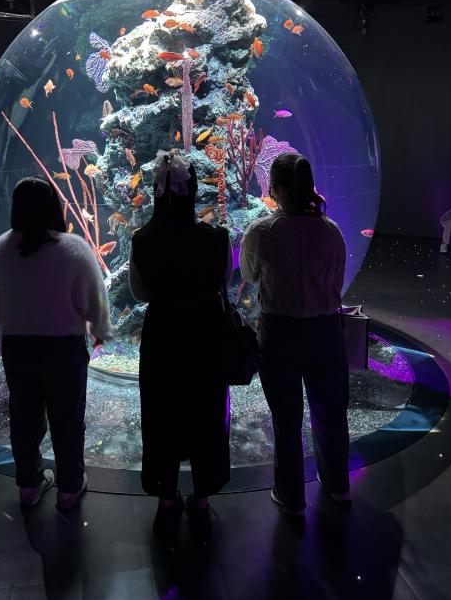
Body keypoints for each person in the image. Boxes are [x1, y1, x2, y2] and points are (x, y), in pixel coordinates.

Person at [0, 177, 112, 510]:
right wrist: (99, 331)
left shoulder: (1, 249)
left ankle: (28, 485)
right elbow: (96, 300)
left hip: (17, 348)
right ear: (54, 206)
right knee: (67, 419)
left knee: (24, 418)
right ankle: (69, 488)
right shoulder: (73, 249)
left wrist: (17, 329)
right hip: (63, 350)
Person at [129, 151, 232, 544]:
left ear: (157, 193)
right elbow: (224, 282)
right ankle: (201, 500)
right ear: (192, 191)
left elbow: (139, 293)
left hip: (164, 334)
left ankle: (166, 498)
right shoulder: (216, 238)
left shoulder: (142, 240)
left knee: (162, 413)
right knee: (207, 410)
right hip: (206, 333)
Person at [240, 153, 350, 517]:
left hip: (280, 333)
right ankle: (338, 486)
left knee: (286, 418)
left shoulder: (262, 231)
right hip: (326, 331)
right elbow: (336, 284)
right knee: (331, 411)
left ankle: (291, 496)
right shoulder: (332, 231)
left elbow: (249, 275)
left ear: (278, 189)